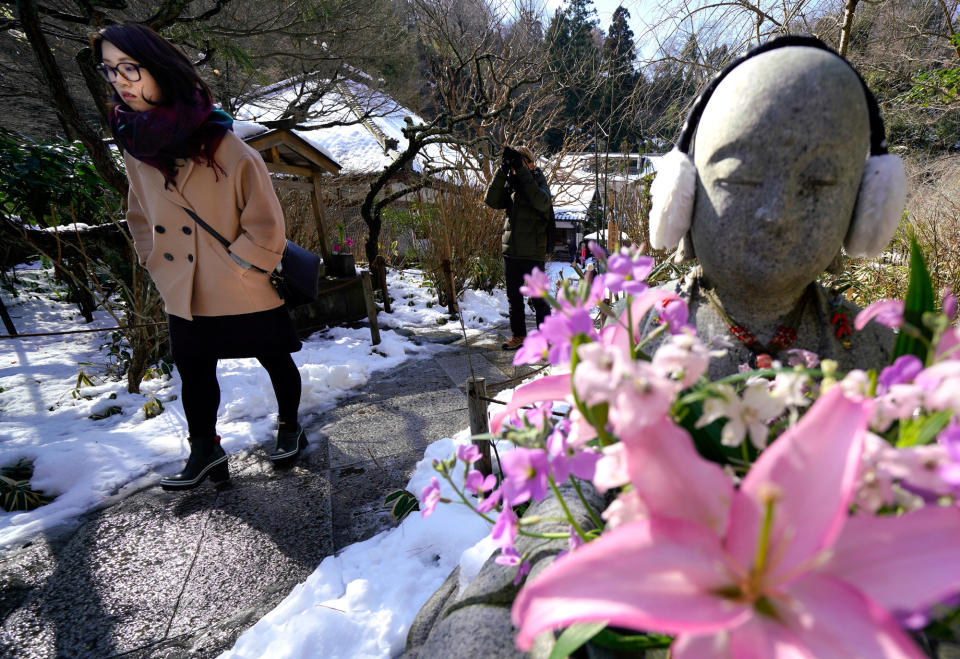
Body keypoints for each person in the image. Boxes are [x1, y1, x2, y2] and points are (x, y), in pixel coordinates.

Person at [94, 23, 308, 491]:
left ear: (159, 69)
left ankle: (291, 425)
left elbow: (267, 222)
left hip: (240, 282)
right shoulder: (133, 144)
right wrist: (153, 259)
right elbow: (138, 212)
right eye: (110, 70)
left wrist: (246, 264)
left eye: (130, 67)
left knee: (273, 357)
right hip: (182, 287)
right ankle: (205, 450)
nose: (120, 80)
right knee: (193, 371)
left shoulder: (226, 145)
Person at [644, 35, 903, 377]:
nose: (779, 213)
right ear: (685, 192)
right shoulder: (629, 339)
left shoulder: (882, 355)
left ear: (861, 204)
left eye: (819, 183)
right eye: (742, 177)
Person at [484, 145, 552, 350]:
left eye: (520, 163)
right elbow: (491, 200)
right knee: (514, 298)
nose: (516, 168)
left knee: (538, 299)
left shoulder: (538, 179)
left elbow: (542, 203)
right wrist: (501, 171)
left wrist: (522, 172)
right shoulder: (511, 183)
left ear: (529, 163)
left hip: (533, 251)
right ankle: (519, 336)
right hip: (511, 250)